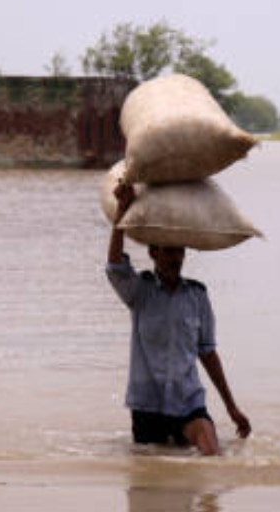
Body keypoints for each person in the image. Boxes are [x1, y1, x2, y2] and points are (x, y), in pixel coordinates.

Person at [105, 182, 251, 456]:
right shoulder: (140, 292)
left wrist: (232, 407)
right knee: (153, 482)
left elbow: (207, 353)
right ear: (153, 253)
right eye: (169, 252)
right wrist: (122, 211)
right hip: (148, 406)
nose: (176, 258)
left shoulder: (197, 296)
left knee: (212, 456)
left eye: (180, 251)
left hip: (188, 402)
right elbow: (115, 266)